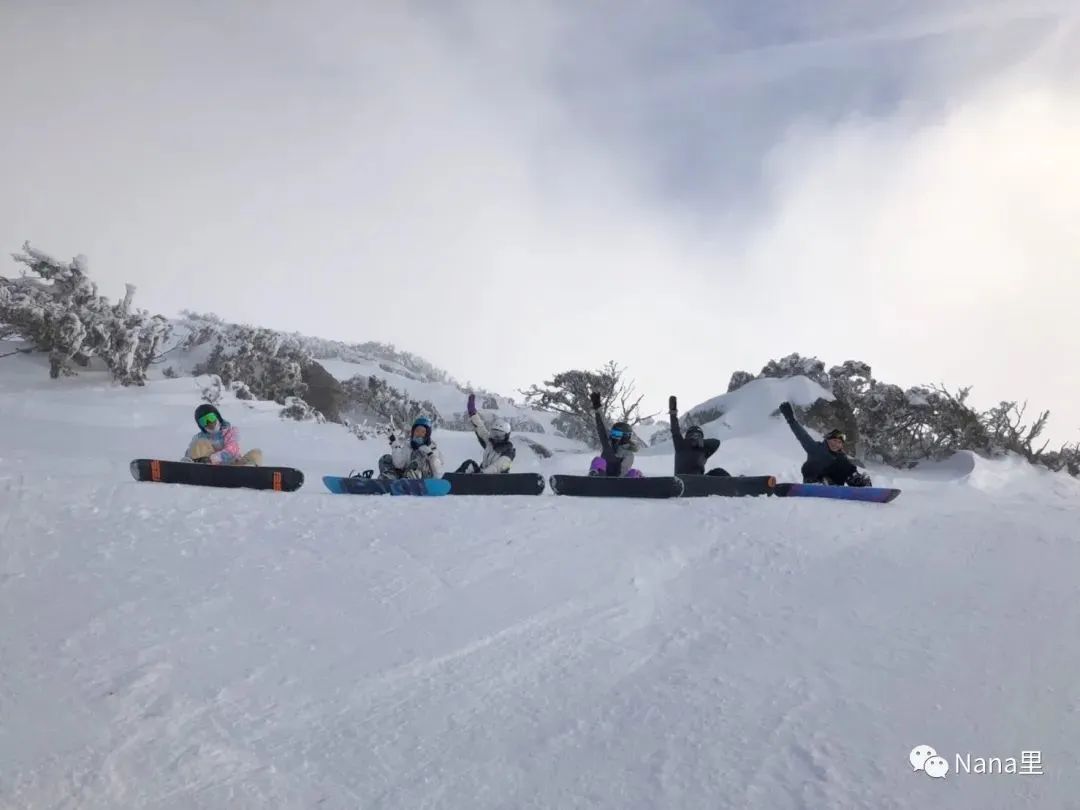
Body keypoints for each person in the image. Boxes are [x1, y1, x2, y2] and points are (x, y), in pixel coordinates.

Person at [778, 401, 871, 486]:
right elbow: (802, 436)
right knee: (810, 466)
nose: (836, 444)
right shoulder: (816, 448)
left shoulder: (841, 457)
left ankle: (857, 482)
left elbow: (847, 469)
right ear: (827, 440)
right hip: (814, 480)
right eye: (834, 440)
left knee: (845, 464)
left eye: (839, 442)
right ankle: (819, 482)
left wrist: (854, 475)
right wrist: (791, 420)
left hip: (833, 483)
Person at [184, 404, 263, 466]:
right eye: (204, 421)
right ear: (200, 425)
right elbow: (190, 453)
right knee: (200, 443)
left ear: (217, 417)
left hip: (234, 466)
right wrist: (186, 461)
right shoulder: (200, 437)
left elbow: (233, 449)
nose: (209, 423)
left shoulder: (230, 431)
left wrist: (215, 458)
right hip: (211, 469)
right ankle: (199, 471)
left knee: (256, 453)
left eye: (211, 418)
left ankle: (251, 473)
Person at [668, 395, 729, 476]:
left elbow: (716, 443)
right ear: (688, 436)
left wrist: (699, 443)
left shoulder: (703, 449)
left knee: (719, 472)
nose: (695, 437)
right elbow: (675, 430)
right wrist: (673, 413)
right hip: (682, 480)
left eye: (698, 435)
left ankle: (737, 485)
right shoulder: (681, 444)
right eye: (694, 434)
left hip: (700, 482)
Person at [586, 392, 643, 477]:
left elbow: (624, 470)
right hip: (603, 477)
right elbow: (602, 427)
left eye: (617, 434)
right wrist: (598, 409)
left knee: (634, 472)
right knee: (598, 460)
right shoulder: (608, 444)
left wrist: (620, 480)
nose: (614, 436)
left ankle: (642, 485)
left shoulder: (628, 453)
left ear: (625, 436)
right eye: (613, 433)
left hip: (621, 481)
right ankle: (594, 477)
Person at [455, 394, 515, 474]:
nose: (496, 438)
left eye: (499, 435)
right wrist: (472, 412)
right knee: (469, 464)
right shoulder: (490, 443)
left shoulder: (509, 452)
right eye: (494, 434)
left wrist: (482, 473)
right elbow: (480, 427)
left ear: (506, 436)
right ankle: (452, 481)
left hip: (498, 480)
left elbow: (497, 467)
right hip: (482, 475)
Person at [375, 416, 444, 480]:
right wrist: (395, 444)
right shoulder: (408, 446)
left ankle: (413, 477)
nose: (419, 434)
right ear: (413, 432)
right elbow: (399, 464)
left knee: (419, 453)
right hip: (405, 476)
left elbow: (438, 472)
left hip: (424, 478)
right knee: (386, 458)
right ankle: (389, 479)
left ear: (427, 434)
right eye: (417, 431)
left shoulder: (432, 448)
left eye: (423, 432)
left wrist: (430, 455)